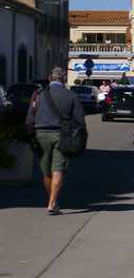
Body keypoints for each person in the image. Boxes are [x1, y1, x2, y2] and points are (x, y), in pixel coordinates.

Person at [26, 67, 86, 215]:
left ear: (49, 78)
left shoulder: (38, 95)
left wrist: (30, 134)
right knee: (58, 169)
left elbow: (30, 117)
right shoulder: (70, 95)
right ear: (64, 79)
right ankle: (52, 202)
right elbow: (79, 120)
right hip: (62, 135)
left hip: (41, 135)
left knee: (46, 171)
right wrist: (80, 135)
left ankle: (52, 200)